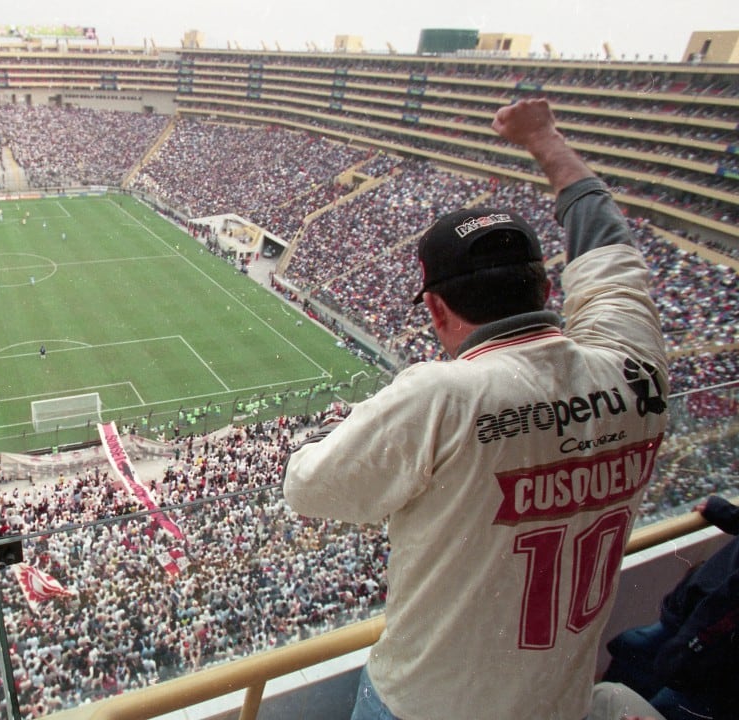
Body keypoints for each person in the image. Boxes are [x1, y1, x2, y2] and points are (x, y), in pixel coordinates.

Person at [283, 98, 669, 719]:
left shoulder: (439, 395)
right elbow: (609, 247)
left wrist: (350, 425)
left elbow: (308, 487)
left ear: (436, 310)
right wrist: (547, 138)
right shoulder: (635, 369)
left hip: (426, 704)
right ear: (547, 287)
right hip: (555, 702)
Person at [600, 495, 739, 720]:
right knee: (630, 650)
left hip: (707, 666)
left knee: (653, 698)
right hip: (691, 619)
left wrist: (682, 655)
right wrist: (724, 512)